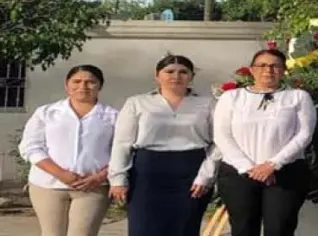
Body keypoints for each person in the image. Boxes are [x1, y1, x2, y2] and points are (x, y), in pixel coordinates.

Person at [108, 55, 219, 236]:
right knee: (143, 229)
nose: (176, 76)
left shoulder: (207, 104)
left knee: (185, 229)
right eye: (169, 72)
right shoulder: (137, 103)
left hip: (191, 172)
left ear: (191, 76)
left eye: (183, 72)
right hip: (146, 173)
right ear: (157, 75)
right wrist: (118, 178)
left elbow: (218, 143)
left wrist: (206, 175)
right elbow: (122, 142)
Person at [213, 48, 317, 236]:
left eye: (274, 66)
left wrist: (274, 164)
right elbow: (222, 135)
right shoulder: (232, 97)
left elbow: (304, 134)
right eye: (262, 65)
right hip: (239, 173)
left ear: (283, 70)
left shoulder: (298, 97)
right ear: (252, 70)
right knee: (243, 228)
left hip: (286, 172)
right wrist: (249, 168)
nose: (268, 70)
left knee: (279, 228)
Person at [18, 65, 118, 236]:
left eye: (90, 82)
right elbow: (30, 146)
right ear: (67, 85)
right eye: (77, 81)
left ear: (99, 86)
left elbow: (122, 151)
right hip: (47, 186)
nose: (83, 86)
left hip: (93, 187)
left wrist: (99, 176)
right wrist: (60, 173)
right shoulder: (47, 113)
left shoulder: (113, 116)